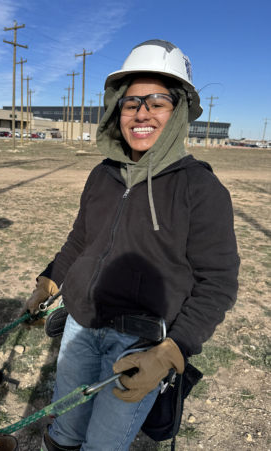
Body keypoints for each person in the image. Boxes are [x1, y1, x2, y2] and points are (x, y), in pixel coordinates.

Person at [19, 39, 240, 451]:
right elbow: (82, 240)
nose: (141, 113)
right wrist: (47, 283)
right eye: (131, 102)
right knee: (64, 432)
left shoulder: (202, 188)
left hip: (141, 345)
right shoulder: (102, 175)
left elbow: (219, 282)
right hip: (81, 327)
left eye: (157, 102)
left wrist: (173, 351)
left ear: (180, 111)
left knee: (103, 445)